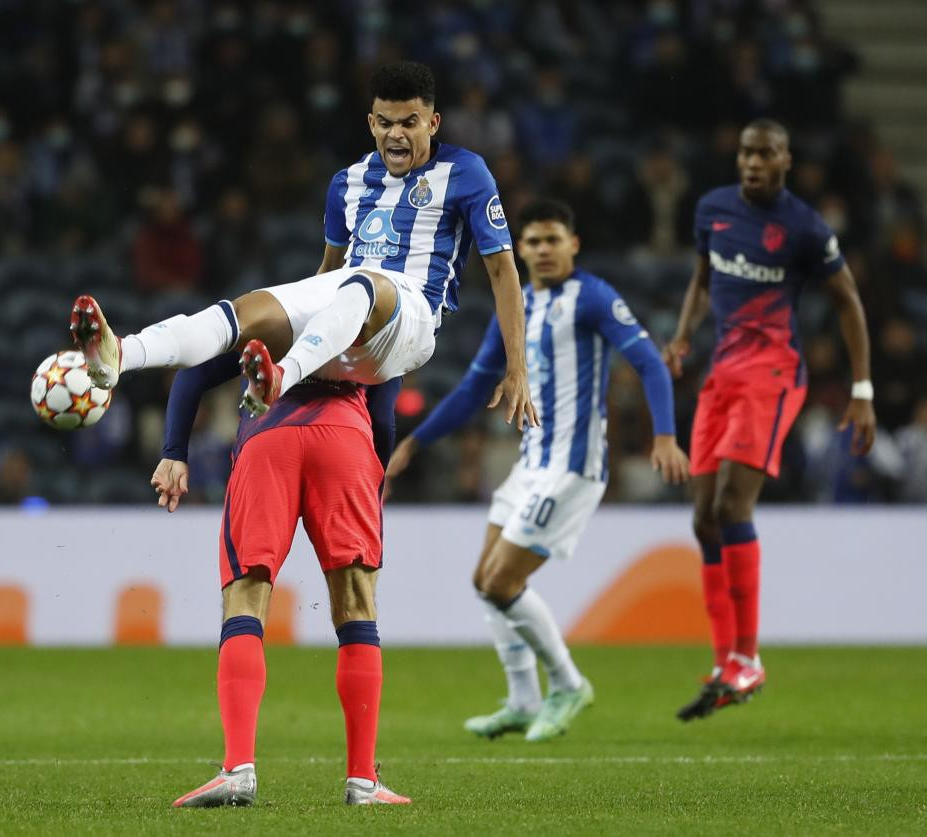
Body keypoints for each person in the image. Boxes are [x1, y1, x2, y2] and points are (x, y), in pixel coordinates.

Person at [69, 61, 537, 432]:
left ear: (433, 123)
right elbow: (328, 273)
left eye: (410, 122)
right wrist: (285, 319)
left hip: (411, 320)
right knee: (247, 309)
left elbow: (503, 271)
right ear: (371, 122)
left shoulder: (467, 172)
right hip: (346, 314)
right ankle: (122, 355)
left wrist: (517, 367)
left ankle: (280, 377)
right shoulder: (348, 182)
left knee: (363, 283)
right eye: (387, 122)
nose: (397, 134)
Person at [385, 199, 689, 742]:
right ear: (518, 249)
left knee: (503, 580)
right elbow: (474, 388)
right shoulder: (517, 306)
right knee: (485, 582)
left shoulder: (593, 297)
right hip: (531, 464)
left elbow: (646, 361)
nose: (544, 251)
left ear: (574, 244)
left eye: (554, 240)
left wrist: (664, 435)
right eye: (533, 242)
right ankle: (524, 699)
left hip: (572, 466)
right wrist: (414, 443)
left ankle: (568, 684)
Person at [664, 119, 876, 721]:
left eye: (765, 154)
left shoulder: (805, 228)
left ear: (786, 160)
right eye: (746, 154)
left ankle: (750, 657)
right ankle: (725, 658)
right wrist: (682, 335)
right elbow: (702, 279)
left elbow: (849, 302)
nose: (753, 163)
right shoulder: (712, 209)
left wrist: (861, 389)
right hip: (722, 374)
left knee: (734, 506)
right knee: (704, 518)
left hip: (774, 373)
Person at [152, 352, 410, 808]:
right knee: (356, 605)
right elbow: (385, 419)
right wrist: (373, 470)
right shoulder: (375, 321)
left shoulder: (275, 309)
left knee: (246, 599)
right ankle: (363, 782)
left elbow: (193, 373)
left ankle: (238, 769)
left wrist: (175, 452)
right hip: (345, 439)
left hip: (268, 436)